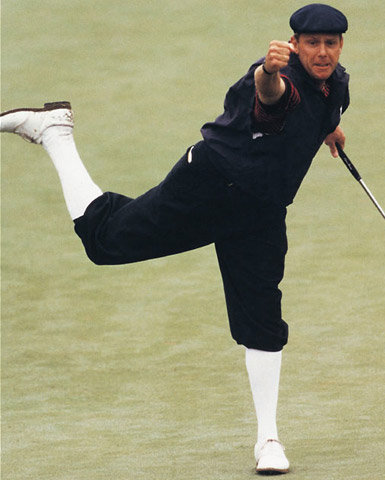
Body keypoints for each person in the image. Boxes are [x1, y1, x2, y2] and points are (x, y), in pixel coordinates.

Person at [1, 3, 349, 475]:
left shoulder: (336, 83)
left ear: (340, 45)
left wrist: (326, 128)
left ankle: (268, 439)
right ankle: (55, 132)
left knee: (263, 319)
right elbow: (274, 98)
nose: (322, 52)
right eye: (312, 43)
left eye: (331, 43)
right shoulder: (276, 78)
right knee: (105, 243)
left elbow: (318, 105)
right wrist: (268, 72)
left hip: (262, 212)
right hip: (210, 187)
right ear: (293, 44)